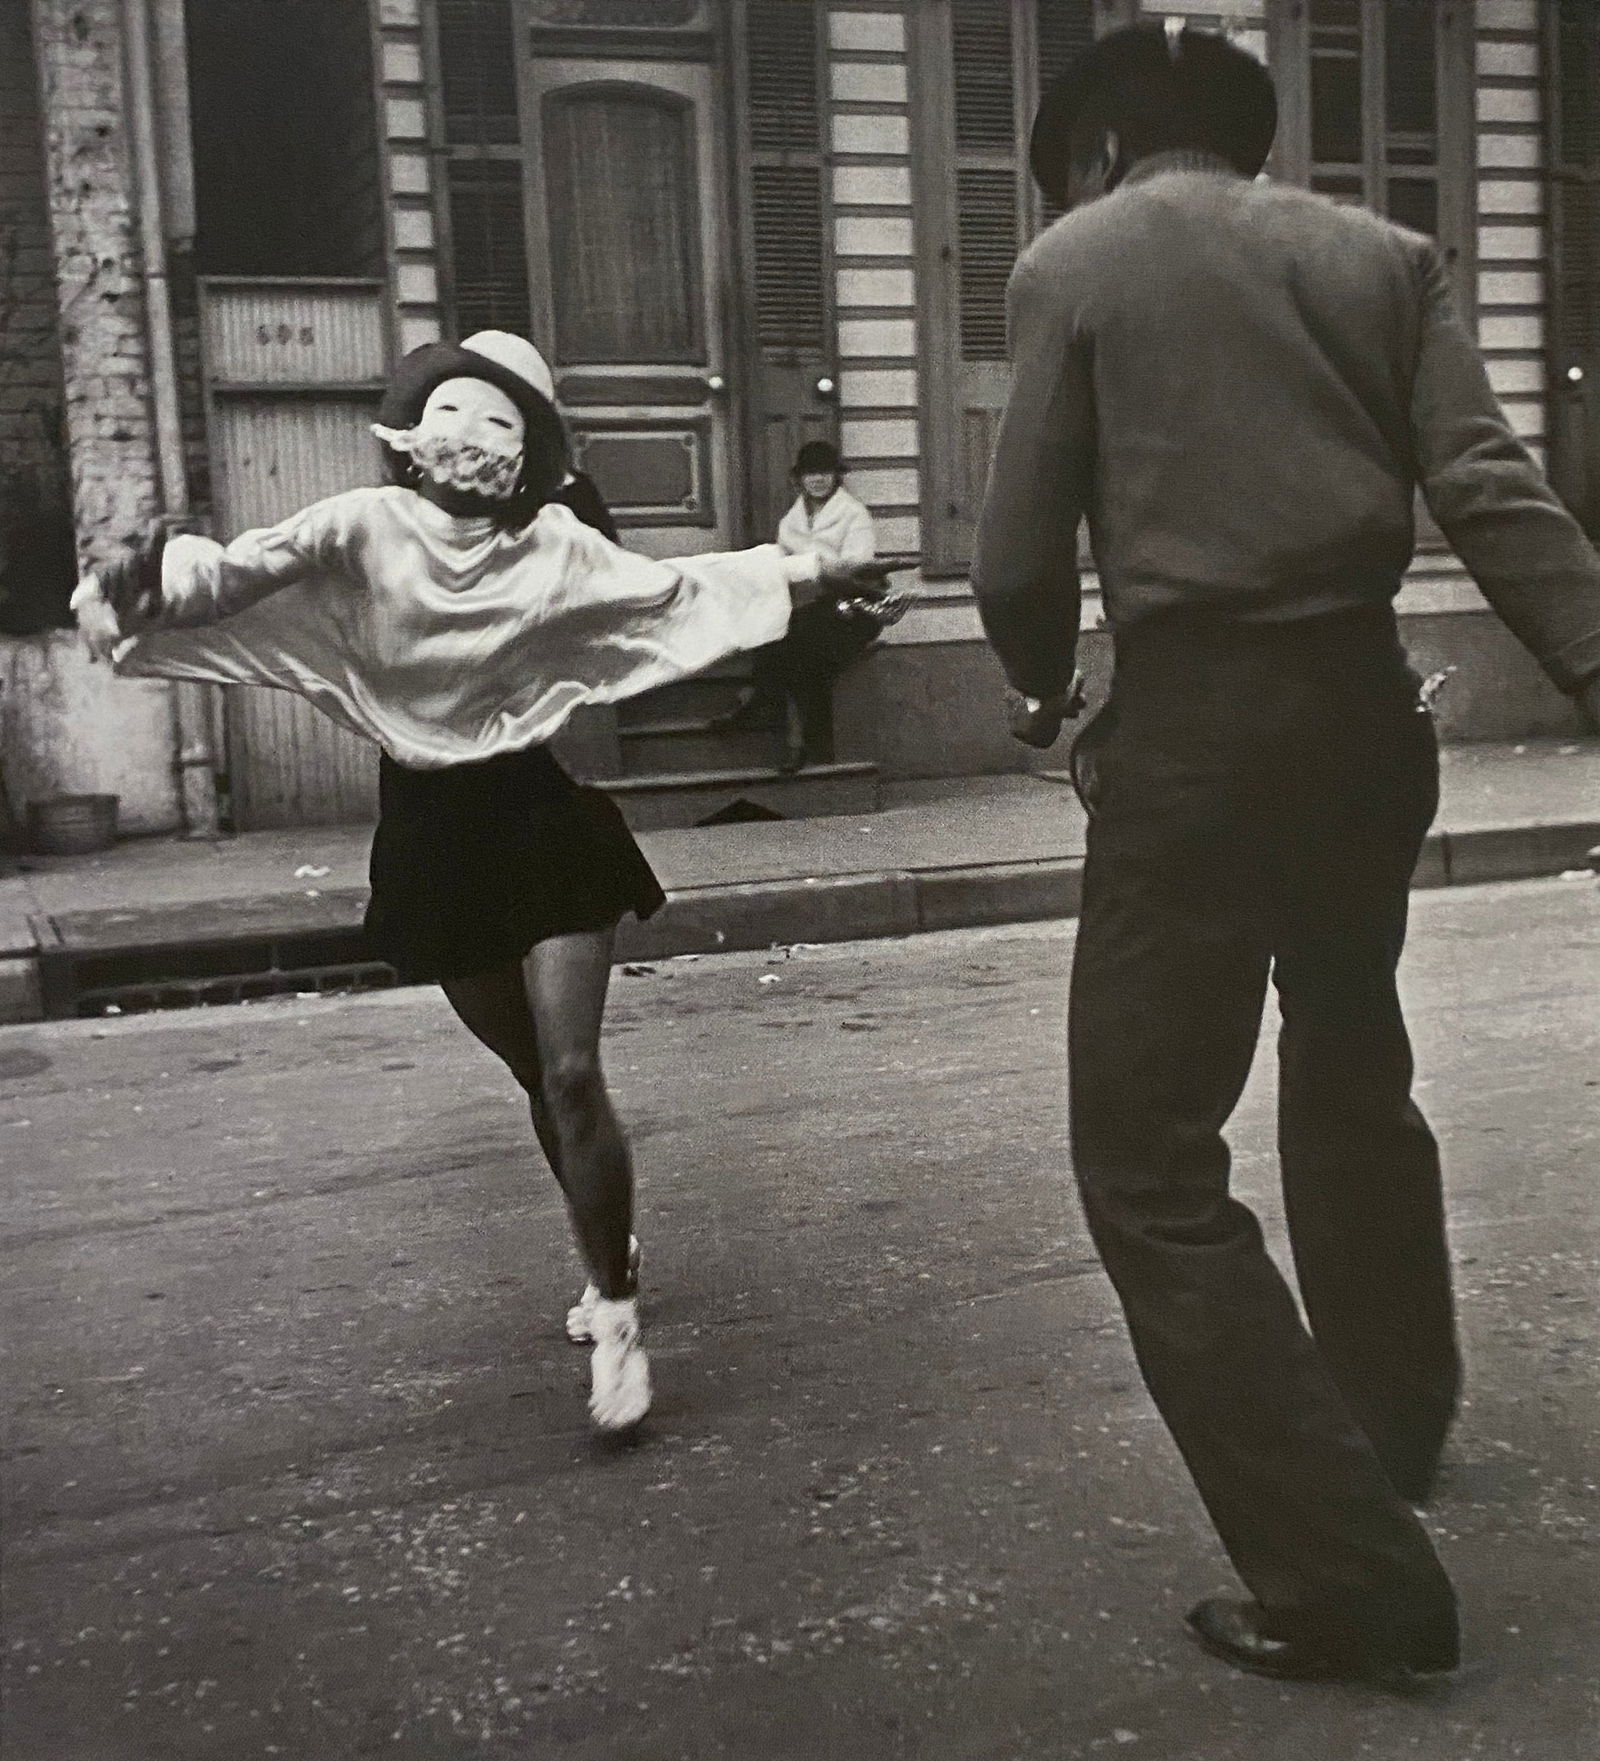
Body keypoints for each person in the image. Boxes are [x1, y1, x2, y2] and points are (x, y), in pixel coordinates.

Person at [973, 23, 1600, 1684]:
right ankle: (1394, 1424)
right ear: (1240, 140)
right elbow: (1491, 490)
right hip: (1363, 714)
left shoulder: (1076, 262)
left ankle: (1347, 1579)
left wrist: (1046, 692)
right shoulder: (1384, 255)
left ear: (1097, 150)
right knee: (1349, 1052)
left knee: (1151, 1162)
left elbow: (1018, 552)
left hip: (1195, 729)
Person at [72, 330, 887, 1435]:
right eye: (454, 410)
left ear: (531, 453)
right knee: (530, 1078)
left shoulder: (553, 544)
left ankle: (614, 1312)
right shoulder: (359, 527)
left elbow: (674, 587)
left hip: (536, 817)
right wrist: (148, 582)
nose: (472, 435)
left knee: (571, 1074)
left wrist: (810, 570)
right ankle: (610, 1232)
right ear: (412, 434)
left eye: (503, 420)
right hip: (428, 837)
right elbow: (238, 572)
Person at [720, 440, 913, 770]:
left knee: (800, 647)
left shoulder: (853, 514)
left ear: (837, 477)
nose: (819, 480)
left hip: (853, 607)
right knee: (780, 636)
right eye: (811, 474)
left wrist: (812, 567)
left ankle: (779, 719)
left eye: (825, 473)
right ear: (799, 479)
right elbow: (782, 568)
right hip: (810, 606)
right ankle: (786, 725)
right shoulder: (790, 521)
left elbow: (857, 569)